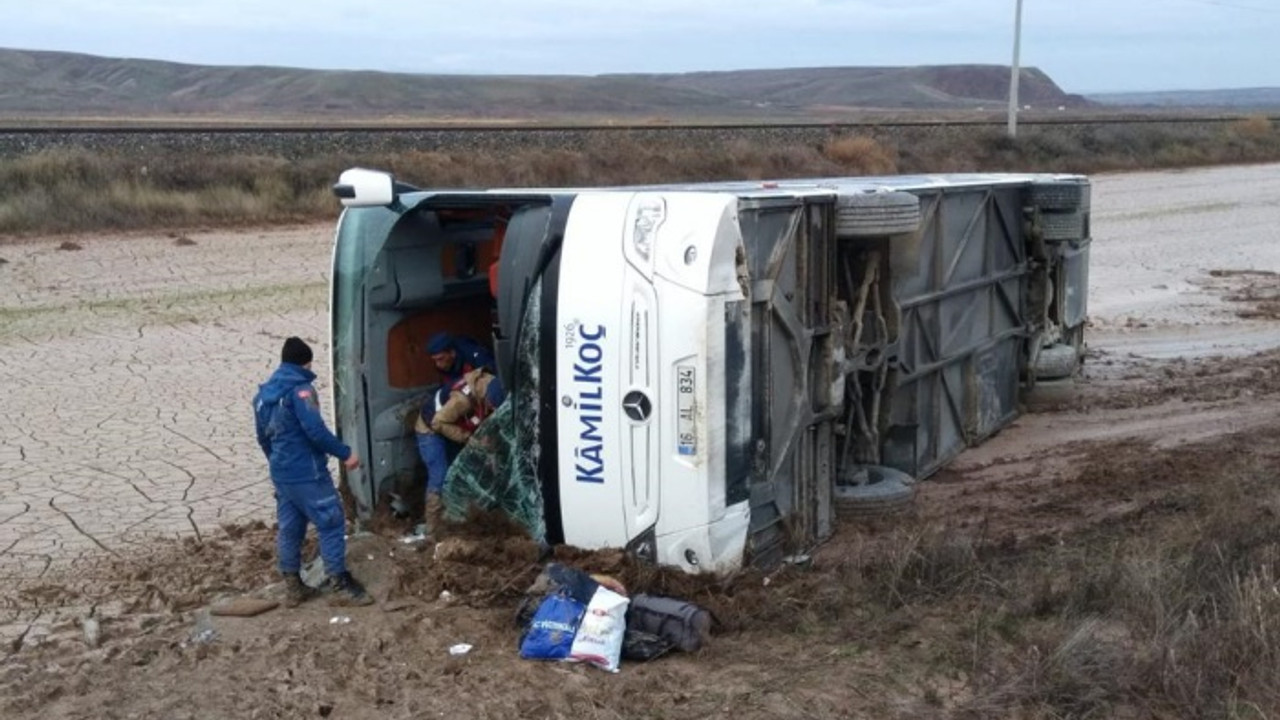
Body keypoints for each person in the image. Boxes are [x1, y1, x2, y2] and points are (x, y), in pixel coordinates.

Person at [253, 336, 373, 607]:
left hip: (282, 474)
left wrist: (277, 464)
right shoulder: (301, 391)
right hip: (307, 472)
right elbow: (315, 431)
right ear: (305, 363)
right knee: (331, 521)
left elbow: (263, 438)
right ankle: (339, 582)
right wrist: (345, 454)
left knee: (291, 528)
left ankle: (294, 586)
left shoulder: (262, 397)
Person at [414, 369, 507, 535]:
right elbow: (438, 423)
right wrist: (467, 438)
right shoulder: (462, 400)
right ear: (487, 399)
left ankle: (457, 519)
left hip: (454, 425)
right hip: (430, 429)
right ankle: (432, 529)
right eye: (492, 408)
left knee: (462, 470)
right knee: (440, 475)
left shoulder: (493, 384)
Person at [426, 331, 495, 387]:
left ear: (452, 353)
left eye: (440, 359)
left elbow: (491, 379)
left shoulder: (475, 356)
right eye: (435, 360)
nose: (437, 364)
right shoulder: (445, 365)